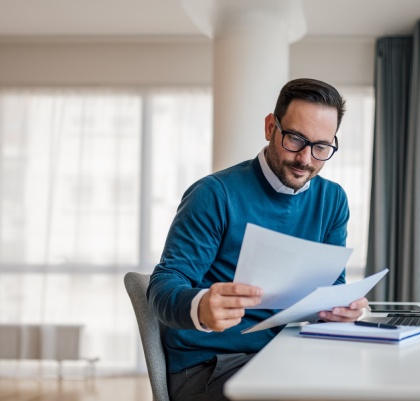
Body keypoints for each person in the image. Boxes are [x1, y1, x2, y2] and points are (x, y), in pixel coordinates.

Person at [146, 78, 369, 401]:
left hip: (288, 356)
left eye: (321, 147)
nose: (305, 159)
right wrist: (201, 306)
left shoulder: (333, 200)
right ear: (270, 127)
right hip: (210, 366)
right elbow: (163, 285)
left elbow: (330, 285)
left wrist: (337, 307)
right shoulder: (214, 194)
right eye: (295, 139)